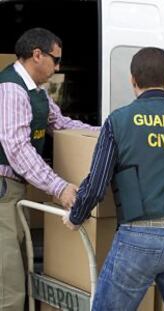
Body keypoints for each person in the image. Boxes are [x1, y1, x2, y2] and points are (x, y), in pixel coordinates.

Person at [62, 47, 164, 310]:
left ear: (132, 80)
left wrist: (75, 215)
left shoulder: (118, 121)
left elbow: (96, 185)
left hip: (137, 238)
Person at [0, 27, 98, 310]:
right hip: (4, 193)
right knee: (10, 287)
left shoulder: (37, 92)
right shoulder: (11, 90)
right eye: (56, 60)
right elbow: (17, 148)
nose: (58, 67)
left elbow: (63, 125)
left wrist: (104, 132)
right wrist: (59, 187)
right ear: (37, 55)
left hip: (14, 191)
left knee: (17, 271)